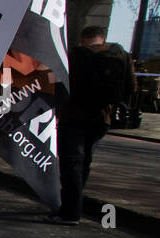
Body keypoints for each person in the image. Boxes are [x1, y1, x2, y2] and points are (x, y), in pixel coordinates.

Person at [50, 26, 134, 225]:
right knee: (85, 160)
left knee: (71, 164)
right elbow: (130, 87)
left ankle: (70, 212)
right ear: (103, 38)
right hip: (102, 118)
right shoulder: (121, 55)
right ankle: (73, 206)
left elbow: (57, 83)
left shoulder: (74, 55)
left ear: (82, 39)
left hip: (73, 116)